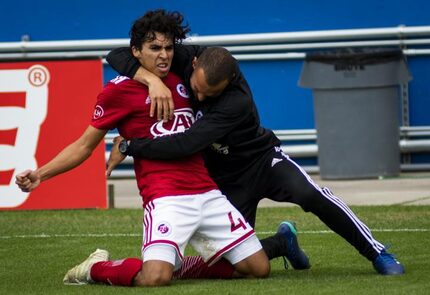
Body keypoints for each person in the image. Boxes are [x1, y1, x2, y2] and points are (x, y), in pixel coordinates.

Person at [106, 35, 405, 276]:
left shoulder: (235, 102)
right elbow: (117, 54)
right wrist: (152, 80)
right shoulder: (187, 56)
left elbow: (187, 144)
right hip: (224, 177)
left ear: (229, 82)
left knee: (312, 194)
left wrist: (132, 145)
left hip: (262, 161)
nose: (199, 98)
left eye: (210, 94)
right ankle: (281, 243)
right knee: (234, 269)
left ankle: (378, 253)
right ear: (194, 62)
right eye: (196, 89)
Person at [15, 10, 273, 287]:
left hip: (208, 192)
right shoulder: (117, 91)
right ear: (136, 52)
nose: (164, 55)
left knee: (258, 269)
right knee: (154, 278)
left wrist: (128, 140)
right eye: (154, 48)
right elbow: (84, 145)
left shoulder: (186, 79)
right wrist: (41, 174)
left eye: (168, 47)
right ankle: (95, 268)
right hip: (165, 198)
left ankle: (176, 266)